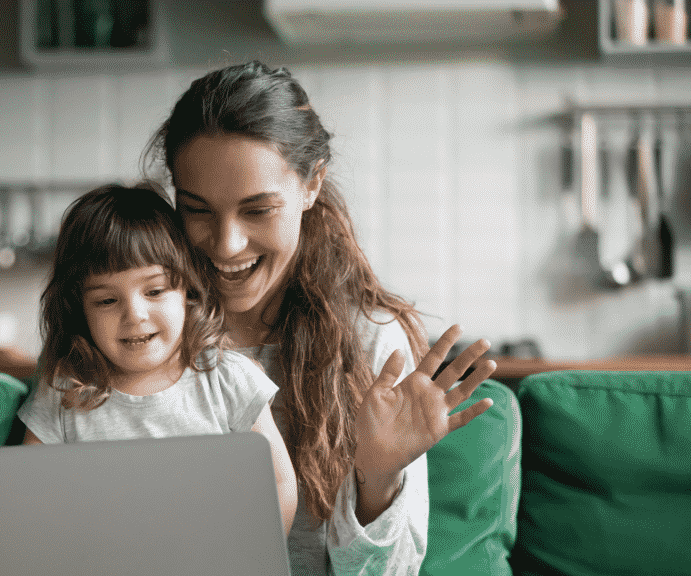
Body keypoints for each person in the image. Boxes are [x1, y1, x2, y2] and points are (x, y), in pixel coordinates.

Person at [143, 61, 498, 575]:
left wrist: (377, 481)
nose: (226, 244)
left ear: (312, 185)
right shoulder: (144, 331)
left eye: (257, 210)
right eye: (197, 209)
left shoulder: (370, 343)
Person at [17, 182, 298, 536]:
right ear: (80, 311)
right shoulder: (65, 391)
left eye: (154, 290)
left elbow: (278, 483)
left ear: (187, 291)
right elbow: (29, 496)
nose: (134, 314)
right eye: (106, 300)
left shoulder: (228, 379)